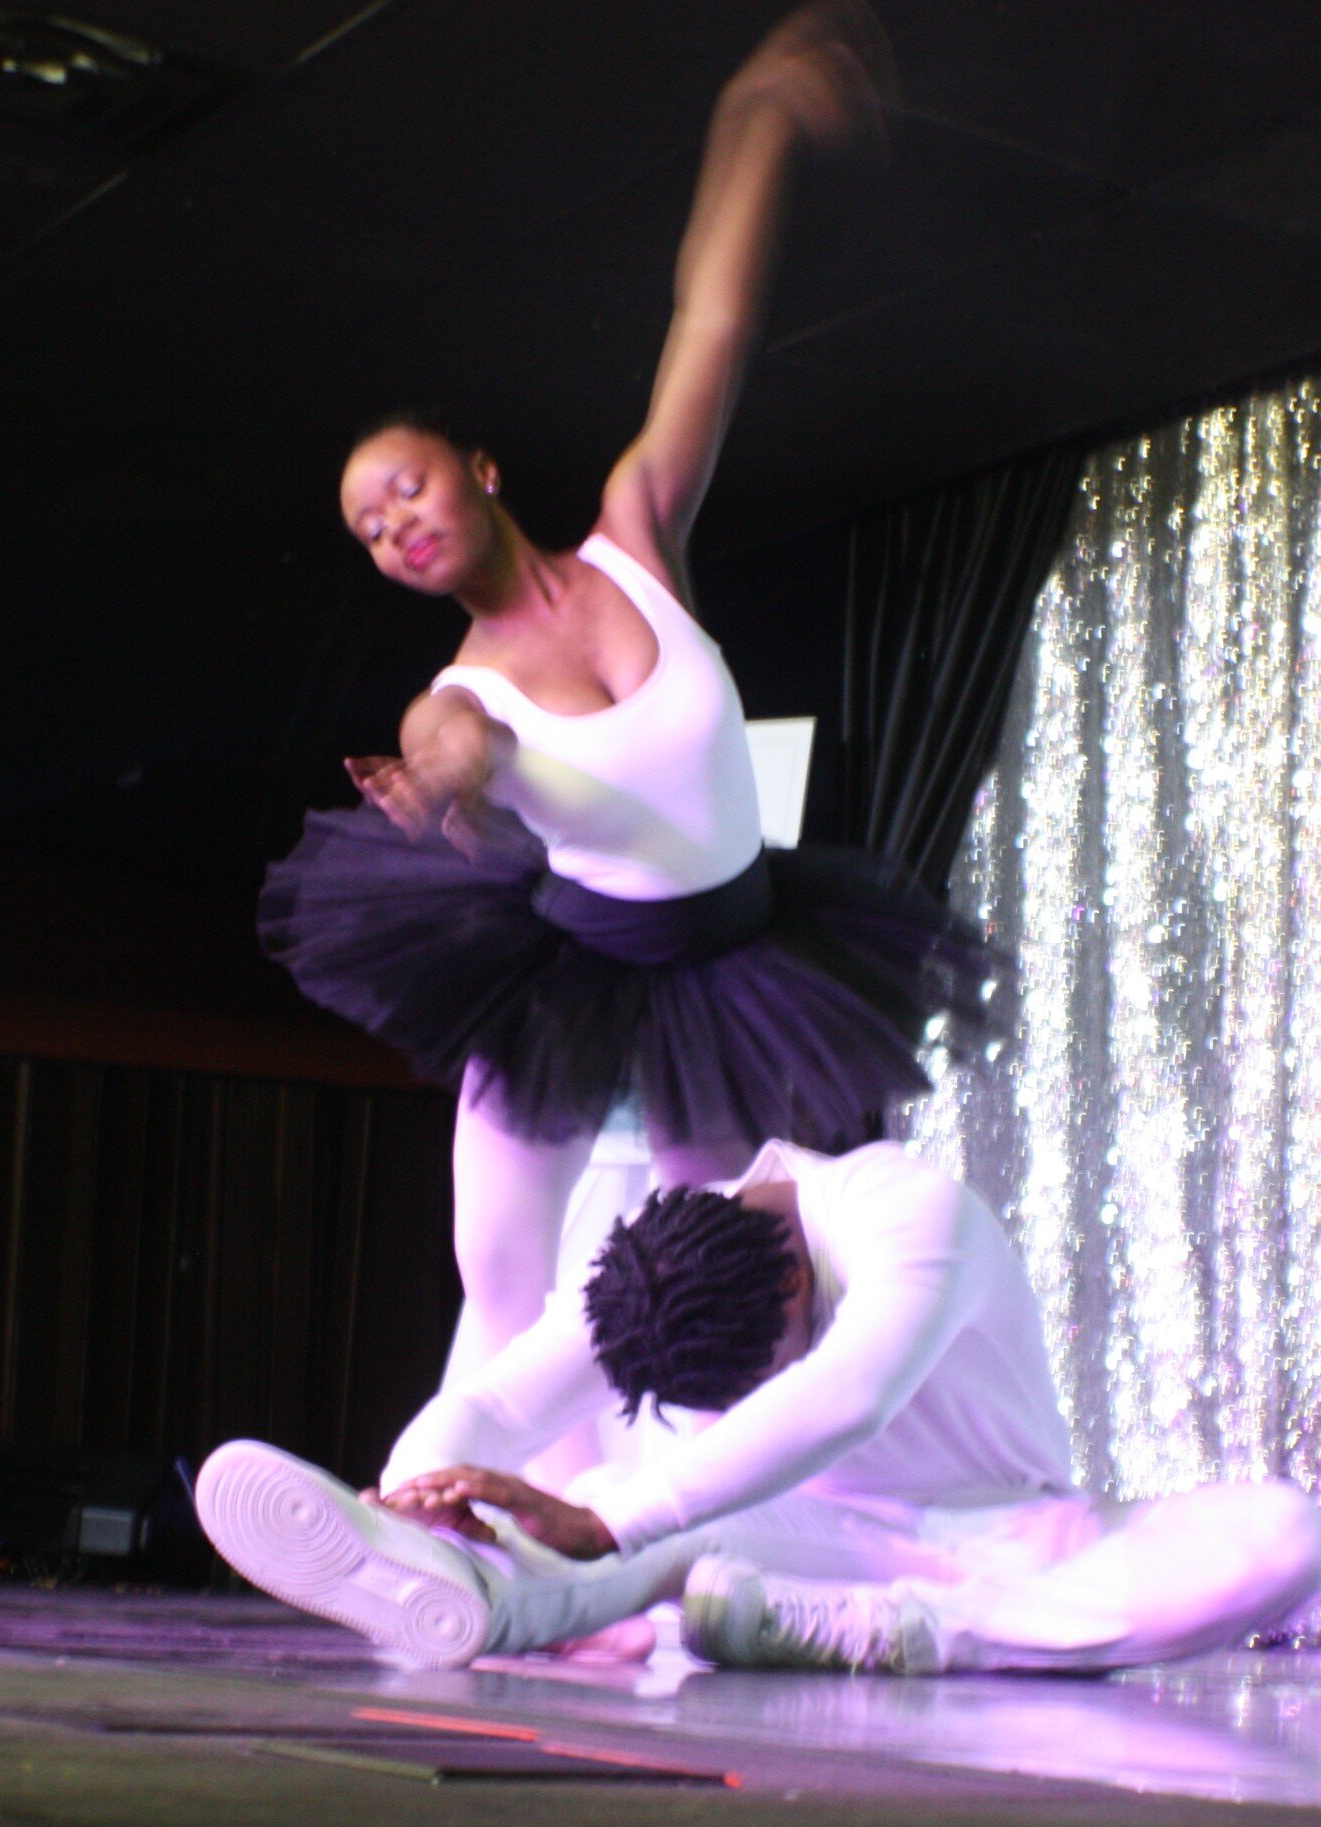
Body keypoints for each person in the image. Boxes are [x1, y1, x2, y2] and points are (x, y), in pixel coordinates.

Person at [259, 2, 995, 1402]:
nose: (390, 525)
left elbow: (712, 318)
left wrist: (756, 121)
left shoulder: (638, 530)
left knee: (709, 1275)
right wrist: (444, 775)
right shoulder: (460, 690)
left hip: (732, 967)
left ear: (476, 467)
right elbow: (453, 740)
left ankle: (678, 1532)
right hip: (574, 982)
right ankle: (441, 1496)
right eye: (365, 529)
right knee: (505, 1273)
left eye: (402, 486)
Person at [195, 1141, 1321, 1674]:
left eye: (749, 1378)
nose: (739, 1402)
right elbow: (495, 1398)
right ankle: (470, 1595)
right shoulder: (652, 1253)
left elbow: (844, 1398)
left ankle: (911, 1636)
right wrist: (420, 1490)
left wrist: (609, 1523)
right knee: (597, 1507)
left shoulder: (903, 1214)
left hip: (1003, 1541)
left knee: (1284, 1535)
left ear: (792, 1286)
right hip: (775, 1544)